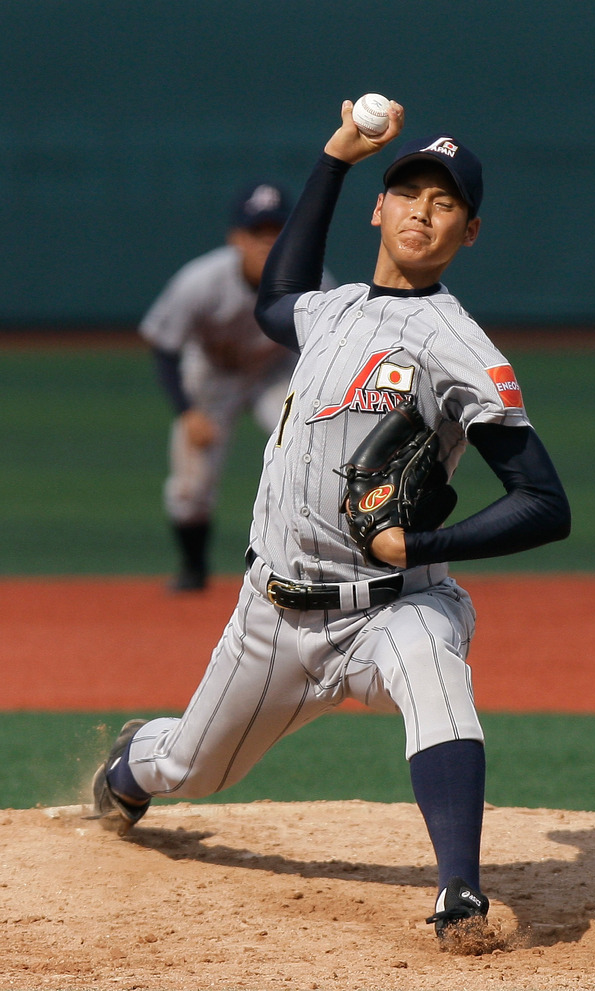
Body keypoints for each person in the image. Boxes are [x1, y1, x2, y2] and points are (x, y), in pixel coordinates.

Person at [93, 99, 570, 946]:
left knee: (436, 670)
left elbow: (545, 503)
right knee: (191, 767)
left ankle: (459, 890)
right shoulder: (332, 310)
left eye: (446, 202)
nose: (424, 209)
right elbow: (277, 293)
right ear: (379, 210)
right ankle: (132, 765)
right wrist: (337, 157)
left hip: (396, 601)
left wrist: (425, 546)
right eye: (410, 192)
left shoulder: (462, 346)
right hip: (274, 617)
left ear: (469, 232)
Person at [139, 181, 297, 591]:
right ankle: (194, 569)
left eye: (276, 232)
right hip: (211, 378)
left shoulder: (309, 278)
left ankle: (303, 559)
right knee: (190, 485)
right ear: (236, 238)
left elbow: (332, 344)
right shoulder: (201, 280)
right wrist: (187, 411)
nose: (267, 242)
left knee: (307, 445)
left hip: (274, 374)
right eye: (257, 233)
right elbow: (165, 347)